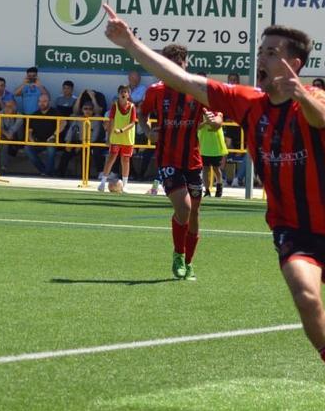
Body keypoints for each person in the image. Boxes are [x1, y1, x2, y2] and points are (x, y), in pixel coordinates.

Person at [103, 7, 325, 411]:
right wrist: (130, 44)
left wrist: (299, 91)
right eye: (261, 51)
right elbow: (184, 80)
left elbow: (321, 116)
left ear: (294, 63)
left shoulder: (317, 98)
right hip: (291, 228)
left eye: (270, 52)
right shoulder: (248, 103)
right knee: (306, 297)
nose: (260, 59)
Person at [137, 43, 206, 281]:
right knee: (184, 207)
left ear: (186, 64)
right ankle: (178, 254)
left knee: (194, 212)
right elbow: (142, 114)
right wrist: (147, 131)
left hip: (193, 160)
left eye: (181, 64)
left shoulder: (197, 88)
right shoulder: (156, 91)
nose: (177, 69)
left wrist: (215, 119)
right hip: (168, 158)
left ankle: (188, 262)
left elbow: (215, 112)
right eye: (172, 65)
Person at [97, 85, 138, 192]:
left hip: (127, 137)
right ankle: (102, 183)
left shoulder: (132, 107)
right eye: (121, 92)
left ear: (128, 95)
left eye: (125, 92)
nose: (123, 94)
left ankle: (125, 185)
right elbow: (111, 121)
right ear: (118, 94)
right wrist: (108, 138)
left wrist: (122, 130)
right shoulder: (115, 106)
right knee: (111, 158)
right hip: (115, 137)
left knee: (125, 160)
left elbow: (133, 123)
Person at [198, 108, 228, 197]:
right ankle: (207, 190)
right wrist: (206, 122)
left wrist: (210, 121)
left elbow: (217, 125)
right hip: (204, 146)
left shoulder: (219, 113)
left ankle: (219, 188)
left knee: (216, 169)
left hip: (216, 147)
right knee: (205, 169)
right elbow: (197, 126)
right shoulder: (199, 115)